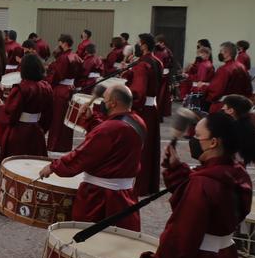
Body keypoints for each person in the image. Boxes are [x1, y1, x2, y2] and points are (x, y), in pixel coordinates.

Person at [112, 111, 255, 258]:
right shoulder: (237, 172)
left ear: (213, 142)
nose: (192, 139)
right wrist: (177, 169)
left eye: (197, 136)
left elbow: (181, 238)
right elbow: (210, 204)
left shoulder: (203, 185)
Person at [40, 84, 143, 231]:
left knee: (87, 239)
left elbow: (83, 155)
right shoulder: (138, 122)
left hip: (100, 198)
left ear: (113, 103)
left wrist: (53, 166)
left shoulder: (109, 129)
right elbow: (110, 140)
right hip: (125, 195)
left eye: (105, 100)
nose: (102, 103)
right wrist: (91, 119)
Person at [123, 33, 163, 195]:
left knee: (141, 148)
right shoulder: (157, 62)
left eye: (139, 43)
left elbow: (138, 91)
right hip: (152, 107)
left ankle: (139, 185)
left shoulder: (142, 64)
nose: (138, 46)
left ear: (144, 45)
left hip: (142, 110)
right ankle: (149, 184)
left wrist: (129, 101)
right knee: (151, 148)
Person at [0, 54, 53, 159]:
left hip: (18, 133)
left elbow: (11, 114)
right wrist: (41, 129)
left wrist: (1, 106)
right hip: (36, 132)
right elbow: (49, 114)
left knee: (14, 163)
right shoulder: (47, 87)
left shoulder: (21, 88)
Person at [46, 35, 84, 153]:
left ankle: (55, 145)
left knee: (57, 118)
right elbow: (81, 74)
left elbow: (56, 75)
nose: (59, 45)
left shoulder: (63, 57)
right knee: (67, 118)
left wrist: (48, 83)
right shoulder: (76, 56)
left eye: (60, 43)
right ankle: (66, 145)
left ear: (64, 43)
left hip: (61, 89)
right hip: (70, 89)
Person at [207, 41, 252, 115]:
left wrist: (205, 90)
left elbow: (216, 91)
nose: (219, 53)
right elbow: (248, 88)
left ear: (227, 53)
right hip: (240, 107)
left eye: (221, 51)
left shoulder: (224, 69)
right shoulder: (242, 67)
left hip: (224, 106)